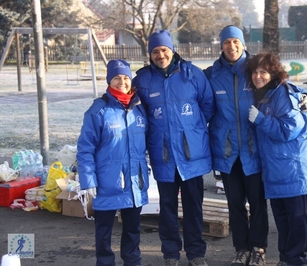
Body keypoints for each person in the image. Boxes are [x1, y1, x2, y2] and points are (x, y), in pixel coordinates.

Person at [204, 25, 307, 266]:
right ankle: (241, 248)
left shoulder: (256, 68)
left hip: (255, 149)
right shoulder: (211, 74)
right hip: (228, 151)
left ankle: (258, 249)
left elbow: (283, 84)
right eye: (226, 42)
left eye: (235, 41)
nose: (231, 46)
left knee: (258, 203)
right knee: (235, 204)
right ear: (220, 46)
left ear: (242, 44)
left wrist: (305, 95)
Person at [132, 30, 215, 266]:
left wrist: (194, 129)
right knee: (167, 207)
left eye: (164, 50)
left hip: (192, 155)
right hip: (164, 154)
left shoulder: (192, 74)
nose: (160, 55)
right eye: (155, 51)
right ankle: (170, 254)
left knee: (193, 207)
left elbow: (208, 104)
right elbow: (138, 114)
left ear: (172, 50)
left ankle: (196, 254)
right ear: (150, 54)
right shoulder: (142, 80)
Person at [245, 51, 307, 266]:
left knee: (295, 221)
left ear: (274, 73)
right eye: (254, 72)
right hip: (278, 170)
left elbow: (288, 130)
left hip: (294, 171)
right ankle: (286, 259)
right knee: (283, 219)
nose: (258, 76)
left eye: (263, 72)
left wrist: (261, 120)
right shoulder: (266, 95)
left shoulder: (282, 94)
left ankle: (295, 261)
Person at [77, 59, 149, 266]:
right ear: (109, 81)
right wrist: (88, 180)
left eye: (126, 78)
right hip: (106, 184)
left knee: (133, 230)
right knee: (104, 232)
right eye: (116, 78)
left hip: (134, 182)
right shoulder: (98, 110)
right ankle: (105, 262)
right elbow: (85, 148)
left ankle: (132, 262)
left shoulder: (139, 108)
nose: (122, 82)